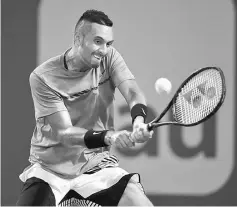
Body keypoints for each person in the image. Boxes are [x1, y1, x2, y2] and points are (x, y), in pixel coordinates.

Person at [16, 9, 154, 206]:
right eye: (98, 42)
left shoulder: (109, 58)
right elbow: (64, 133)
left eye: (108, 44)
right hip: (51, 169)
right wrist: (109, 136)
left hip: (96, 163)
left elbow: (132, 92)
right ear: (78, 39)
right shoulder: (43, 77)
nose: (104, 50)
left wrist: (139, 120)